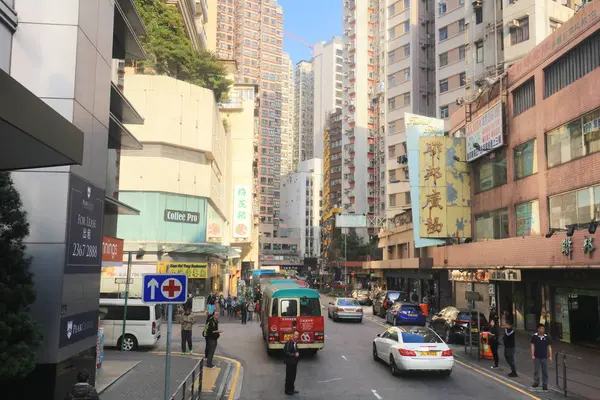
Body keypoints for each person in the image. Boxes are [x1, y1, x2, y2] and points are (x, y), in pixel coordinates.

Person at [531, 323, 553, 391]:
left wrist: (550, 356)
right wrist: (532, 355)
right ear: (538, 329)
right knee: (536, 370)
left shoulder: (547, 337)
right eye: (541, 328)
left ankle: (545, 384)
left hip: (544, 356)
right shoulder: (534, 336)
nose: (542, 330)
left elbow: (549, 346)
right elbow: (532, 345)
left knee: (545, 371)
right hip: (537, 356)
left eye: (543, 328)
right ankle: (536, 382)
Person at [283, 330, 300, 395]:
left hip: (294, 362)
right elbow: (286, 352)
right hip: (289, 362)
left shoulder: (295, 342)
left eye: (297, 335)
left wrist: (298, 354)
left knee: (293, 376)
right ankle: (287, 390)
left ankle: (292, 389)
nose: (297, 336)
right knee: (289, 377)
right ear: (292, 335)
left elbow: (295, 350)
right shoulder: (289, 342)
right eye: (295, 335)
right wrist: (294, 355)